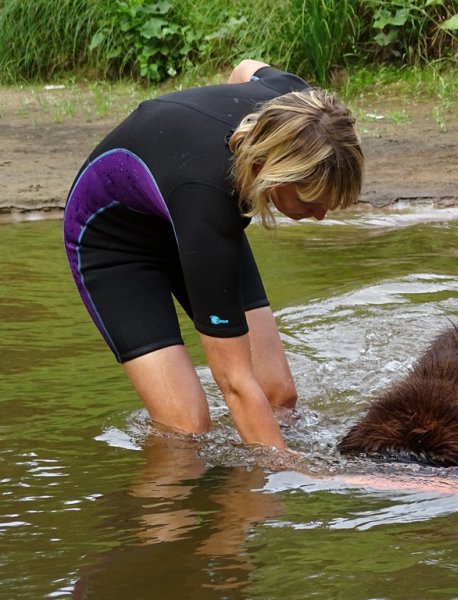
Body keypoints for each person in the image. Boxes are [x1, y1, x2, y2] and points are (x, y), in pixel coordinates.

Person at [63, 59, 364, 449]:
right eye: (310, 201)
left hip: (191, 209)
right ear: (270, 170)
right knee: (186, 431)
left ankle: (242, 491)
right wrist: (293, 471)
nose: (321, 215)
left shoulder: (302, 108)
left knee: (278, 396)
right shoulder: (210, 199)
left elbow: (245, 68)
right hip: (115, 241)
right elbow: (234, 383)